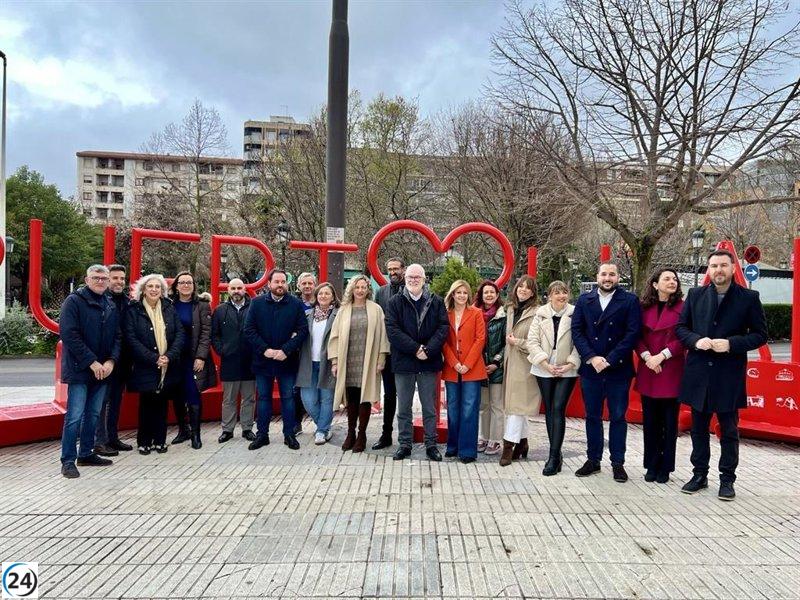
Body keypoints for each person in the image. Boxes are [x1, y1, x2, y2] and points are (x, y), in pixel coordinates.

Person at [676, 250, 767, 501]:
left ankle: (727, 480)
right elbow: (681, 329)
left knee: (728, 430)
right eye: (714, 265)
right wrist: (696, 341)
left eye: (723, 265)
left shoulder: (748, 297)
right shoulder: (695, 295)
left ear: (731, 267)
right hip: (699, 374)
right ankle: (699, 475)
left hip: (728, 375)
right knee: (698, 429)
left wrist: (731, 344)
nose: (718, 270)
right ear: (709, 269)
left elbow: (760, 335)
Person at [571, 262, 641, 482]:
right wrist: (591, 357)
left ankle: (618, 462)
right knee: (592, 416)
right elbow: (577, 330)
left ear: (618, 277)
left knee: (618, 417)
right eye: (604, 274)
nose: (607, 278)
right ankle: (593, 460)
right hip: (591, 369)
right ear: (597, 276)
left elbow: (632, 333)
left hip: (618, 369)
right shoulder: (584, 300)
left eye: (612, 274)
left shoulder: (629, 301)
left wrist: (609, 360)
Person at [59, 265, 122, 478]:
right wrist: (92, 362)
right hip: (80, 370)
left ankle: (86, 453)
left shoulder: (110, 304)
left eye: (104, 278)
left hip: (103, 370)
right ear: (87, 280)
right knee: (74, 416)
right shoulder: (73, 302)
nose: (101, 281)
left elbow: (117, 337)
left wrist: (111, 361)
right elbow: (69, 335)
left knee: (93, 414)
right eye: (96, 277)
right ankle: (68, 460)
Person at [385, 264, 450, 462]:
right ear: (405, 278)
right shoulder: (395, 302)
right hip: (404, 362)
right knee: (403, 407)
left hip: (428, 362)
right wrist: (415, 349)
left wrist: (428, 350)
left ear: (424, 280)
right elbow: (392, 330)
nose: (414, 280)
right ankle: (405, 444)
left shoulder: (436, 301)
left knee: (429, 407)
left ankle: (431, 444)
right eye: (411, 277)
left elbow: (443, 327)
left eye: (417, 277)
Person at [244, 268, 309, 451]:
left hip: (286, 360)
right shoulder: (256, 304)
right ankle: (262, 435)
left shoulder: (295, 304)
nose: (280, 285)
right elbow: (249, 330)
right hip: (263, 360)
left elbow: (303, 330)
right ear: (269, 284)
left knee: (288, 398)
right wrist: (265, 350)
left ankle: (289, 434)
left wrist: (286, 350)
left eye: (283, 282)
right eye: (277, 282)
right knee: (263, 398)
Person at [634, 269, 686, 484]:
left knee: (669, 423)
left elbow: (684, 336)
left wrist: (662, 356)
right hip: (649, 369)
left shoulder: (684, 308)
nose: (672, 282)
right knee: (650, 421)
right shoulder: (643, 307)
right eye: (667, 279)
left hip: (671, 369)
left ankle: (666, 466)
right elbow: (636, 335)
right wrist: (648, 357)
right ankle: (652, 464)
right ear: (655, 284)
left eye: (674, 279)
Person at [328, 275, 389, 452]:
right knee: (351, 397)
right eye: (357, 287)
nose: (360, 290)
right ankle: (350, 433)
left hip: (368, 360)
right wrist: (335, 361)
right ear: (352, 289)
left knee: (365, 398)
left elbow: (383, 336)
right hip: (348, 360)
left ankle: (362, 435)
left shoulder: (376, 309)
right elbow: (335, 336)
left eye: (363, 287)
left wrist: (381, 359)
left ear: (368, 289)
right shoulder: (344, 310)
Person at [125, 274, 185, 455]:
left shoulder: (169, 308)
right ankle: (144, 442)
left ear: (162, 290)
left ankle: (160, 441)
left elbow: (180, 334)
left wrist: (169, 355)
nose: (154, 290)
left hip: (168, 365)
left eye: (157, 287)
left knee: (162, 404)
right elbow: (131, 338)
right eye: (150, 286)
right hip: (145, 365)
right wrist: (153, 358)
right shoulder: (133, 310)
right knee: (146, 404)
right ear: (143, 289)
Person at [527, 280, 580, 475]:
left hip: (567, 368)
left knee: (558, 408)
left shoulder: (576, 313)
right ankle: (556, 456)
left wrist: (571, 363)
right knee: (550, 409)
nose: (561, 296)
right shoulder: (540, 314)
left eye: (564, 292)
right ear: (549, 296)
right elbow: (532, 342)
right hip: (544, 367)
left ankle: (553, 456)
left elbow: (581, 340)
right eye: (557, 293)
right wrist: (545, 363)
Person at [169, 272, 217, 450]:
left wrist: (201, 357)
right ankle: (183, 431)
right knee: (177, 393)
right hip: (174, 357)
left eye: (189, 282)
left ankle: (196, 435)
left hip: (193, 358)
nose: (186, 285)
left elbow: (206, 333)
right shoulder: (169, 305)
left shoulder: (202, 306)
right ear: (176, 286)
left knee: (193, 392)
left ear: (194, 285)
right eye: (182, 282)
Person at [499, 275, 541, 467]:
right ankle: (523, 443)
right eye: (520, 287)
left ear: (533, 292)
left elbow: (540, 342)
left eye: (527, 288)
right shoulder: (510, 309)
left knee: (516, 408)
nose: (523, 290)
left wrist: (519, 343)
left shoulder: (538, 312)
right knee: (517, 409)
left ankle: (508, 447)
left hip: (525, 365)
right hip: (509, 363)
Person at [442, 280, 486, 463]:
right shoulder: (446, 314)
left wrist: (467, 364)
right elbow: (443, 341)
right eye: (458, 292)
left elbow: (480, 339)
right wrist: (454, 362)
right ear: (452, 294)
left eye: (465, 293)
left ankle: (467, 450)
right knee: (452, 408)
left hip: (472, 368)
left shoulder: (476, 313)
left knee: (469, 409)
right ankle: (453, 446)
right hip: (452, 369)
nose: (461, 296)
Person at [93, 264, 133, 456]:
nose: (119, 282)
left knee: (116, 401)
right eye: (115, 278)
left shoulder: (128, 301)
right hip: (105, 361)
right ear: (108, 279)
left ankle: (112, 438)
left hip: (122, 360)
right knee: (101, 402)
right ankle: (99, 441)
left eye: (122, 279)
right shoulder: (101, 300)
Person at [212, 278, 256, 443]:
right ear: (228, 290)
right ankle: (227, 430)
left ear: (245, 289)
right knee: (228, 399)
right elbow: (214, 335)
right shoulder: (220, 310)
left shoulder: (254, 307)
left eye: (239, 288)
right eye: (233, 288)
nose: (236, 291)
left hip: (249, 360)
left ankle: (247, 428)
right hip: (229, 361)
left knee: (249, 398)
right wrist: (221, 350)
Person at [296, 282, 339, 445]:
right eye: (320, 294)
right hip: (308, 363)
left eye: (327, 293)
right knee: (308, 399)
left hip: (329, 363)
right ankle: (325, 426)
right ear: (316, 296)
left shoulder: (338, 315)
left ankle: (321, 431)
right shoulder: (307, 315)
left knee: (327, 399)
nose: (323, 296)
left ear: (333, 296)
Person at [372, 257, 405, 450]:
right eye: (389, 269)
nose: (392, 272)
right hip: (388, 351)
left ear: (403, 269)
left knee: (405, 396)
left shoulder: (411, 289)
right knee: (390, 395)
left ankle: (404, 437)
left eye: (396, 269)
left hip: (407, 352)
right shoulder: (381, 292)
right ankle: (386, 435)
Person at [474, 280, 505, 455]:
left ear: (497, 295)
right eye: (486, 292)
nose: (489, 295)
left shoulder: (503, 315)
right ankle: (483, 437)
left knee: (497, 405)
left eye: (492, 292)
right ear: (481, 295)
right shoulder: (475, 313)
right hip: (479, 367)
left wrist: (496, 362)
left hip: (497, 367)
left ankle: (495, 440)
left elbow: (506, 343)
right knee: (484, 405)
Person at [293, 272, 317, 434]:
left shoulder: (322, 302)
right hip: (297, 351)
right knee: (296, 389)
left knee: (317, 387)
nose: (307, 286)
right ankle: (296, 422)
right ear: (298, 286)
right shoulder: (293, 304)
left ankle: (321, 423)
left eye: (310, 283)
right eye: (304, 283)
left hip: (316, 351)